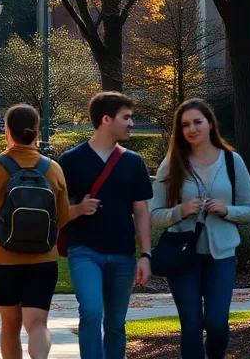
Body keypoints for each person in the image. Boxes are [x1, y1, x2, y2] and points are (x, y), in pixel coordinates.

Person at [150, 99, 250, 359]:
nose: (192, 129)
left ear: (210, 123)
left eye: (197, 122)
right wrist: (180, 211)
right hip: (182, 256)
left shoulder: (233, 161)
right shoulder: (171, 164)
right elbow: (154, 215)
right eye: (185, 124)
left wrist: (227, 210)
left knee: (218, 325)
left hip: (221, 256)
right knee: (191, 326)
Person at [0, 104, 70, 359]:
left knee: (10, 326)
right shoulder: (53, 169)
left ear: (8, 132)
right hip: (43, 260)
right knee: (37, 325)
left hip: (4, 259)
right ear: (36, 131)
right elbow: (64, 217)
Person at [58, 93, 155, 359]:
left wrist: (146, 255)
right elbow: (55, 213)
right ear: (106, 119)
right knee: (91, 310)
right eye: (127, 117)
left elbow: (141, 211)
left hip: (124, 255)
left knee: (115, 323)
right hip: (84, 251)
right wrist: (77, 210)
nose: (132, 123)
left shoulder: (134, 162)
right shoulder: (71, 160)